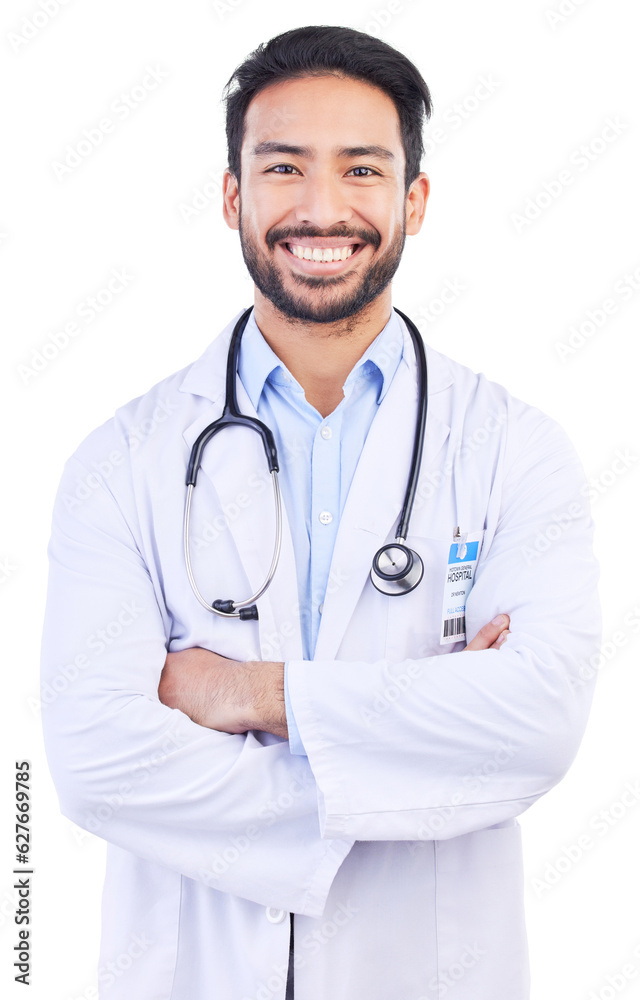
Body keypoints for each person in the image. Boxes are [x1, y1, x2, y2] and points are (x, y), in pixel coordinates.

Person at [40, 24, 601, 1000]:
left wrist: (253, 695)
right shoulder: (120, 460)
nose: (321, 208)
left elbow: (538, 723)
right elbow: (96, 759)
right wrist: (414, 751)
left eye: (362, 170)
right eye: (284, 167)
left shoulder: (515, 449)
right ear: (232, 196)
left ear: (413, 200)